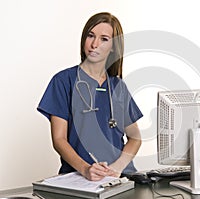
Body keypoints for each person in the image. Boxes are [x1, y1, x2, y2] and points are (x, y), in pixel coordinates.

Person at [37, 12, 143, 181]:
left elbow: (135, 138)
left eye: (104, 39)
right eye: (91, 36)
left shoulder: (117, 87)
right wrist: (86, 169)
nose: (94, 44)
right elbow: (59, 139)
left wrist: (117, 168)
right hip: (77, 177)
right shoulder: (63, 81)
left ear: (114, 47)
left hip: (117, 178)